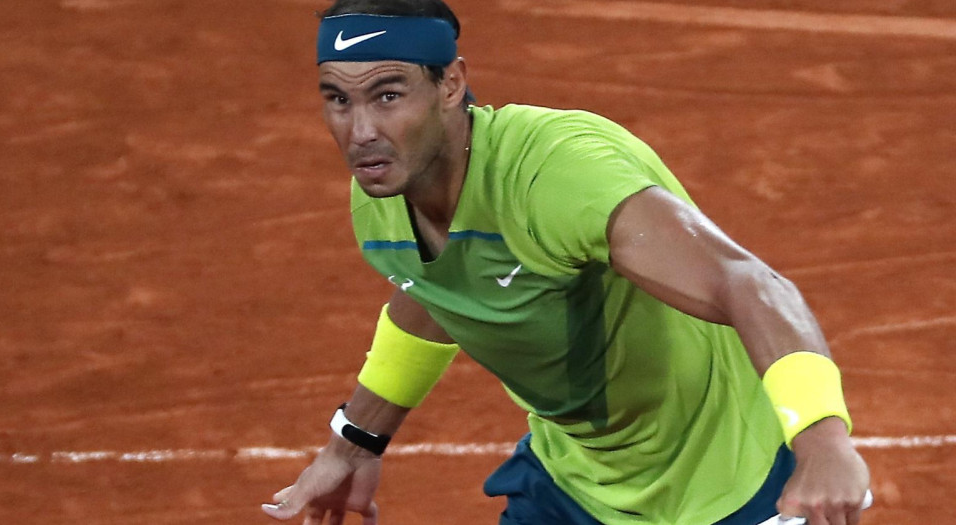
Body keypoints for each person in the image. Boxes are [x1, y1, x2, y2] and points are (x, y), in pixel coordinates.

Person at [262, 1, 871, 523]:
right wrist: (354, 444)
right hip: (576, 482)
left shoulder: (557, 175)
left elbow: (749, 285)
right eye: (338, 99)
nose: (360, 130)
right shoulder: (384, 195)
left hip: (724, 481)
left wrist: (822, 442)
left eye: (387, 95)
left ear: (450, 84)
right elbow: (435, 291)